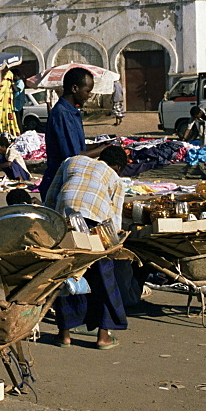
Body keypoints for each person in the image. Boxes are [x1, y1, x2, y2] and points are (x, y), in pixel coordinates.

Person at [45, 145, 132, 349]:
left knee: (67, 273)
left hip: (65, 221)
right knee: (104, 278)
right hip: (96, 224)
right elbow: (115, 218)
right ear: (118, 167)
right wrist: (112, 248)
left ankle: (64, 334)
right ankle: (103, 336)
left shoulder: (72, 161)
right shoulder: (115, 178)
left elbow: (51, 196)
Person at [39, 67, 108, 196]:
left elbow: (78, 146)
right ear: (75, 89)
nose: (89, 95)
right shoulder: (61, 114)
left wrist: (101, 145)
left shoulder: (72, 112)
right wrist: (102, 151)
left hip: (69, 182)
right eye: (87, 91)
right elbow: (73, 156)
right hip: (59, 185)